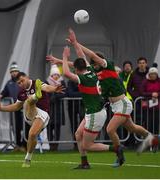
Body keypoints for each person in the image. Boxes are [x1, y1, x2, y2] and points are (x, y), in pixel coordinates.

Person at [65, 28, 158, 167]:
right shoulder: (95, 71)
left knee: (110, 129)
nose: (93, 65)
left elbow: (90, 54)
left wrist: (76, 42)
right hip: (115, 106)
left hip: (123, 103)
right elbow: (80, 60)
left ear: (100, 61)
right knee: (132, 128)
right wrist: (67, 54)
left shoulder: (107, 65)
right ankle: (152, 138)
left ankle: (119, 155)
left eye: (95, 62)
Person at [0, 72, 64, 167]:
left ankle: (28, 158)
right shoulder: (21, 92)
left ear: (27, 77)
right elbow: (16, 106)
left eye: (22, 80)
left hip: (43, 114)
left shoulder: (37, 83)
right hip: (29, 114)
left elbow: (46, 87)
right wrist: (1, 108)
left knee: (32, 131)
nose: (21, 84)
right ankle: (35, 97)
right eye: (19, 83)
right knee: (28, 106)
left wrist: (54, 89)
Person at [0, 62, 26, 152]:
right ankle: (18, 145)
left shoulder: (22, 81)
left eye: (16, 71)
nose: (14, 73)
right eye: (12, 71)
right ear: (10, 73)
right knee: (16, 128)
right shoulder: (8, 83)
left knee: (24, 127)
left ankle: (24, 145)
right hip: (14, 109)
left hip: (23, 108)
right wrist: (0, 96)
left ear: (18, 72)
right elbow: (4, 92)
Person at [46, 65, 66, 150]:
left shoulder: (62, 83)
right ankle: (51, 144)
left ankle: (56, 145)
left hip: (58, 109)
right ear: (51, 75)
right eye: (54, 75)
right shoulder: (46, 82)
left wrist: (56, 96)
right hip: (49, 108)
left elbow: (65, 92)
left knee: (57, 127)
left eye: (57, 75)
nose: (56, 76)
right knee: (49, 127)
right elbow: (44, 93)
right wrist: (51, 98)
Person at [140, 67, 160, 134]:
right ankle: (148, 139)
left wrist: (157, 94)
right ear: (149, 74)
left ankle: (156, 139)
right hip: (147, 106)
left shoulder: (159, 81)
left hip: (157, 107)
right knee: (148, 123)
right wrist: (151, 94)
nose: (153, 75)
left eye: (154, 74)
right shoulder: (145, 81)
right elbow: (141, 92)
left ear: (157, 74)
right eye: (151, 74)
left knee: (156, 123)